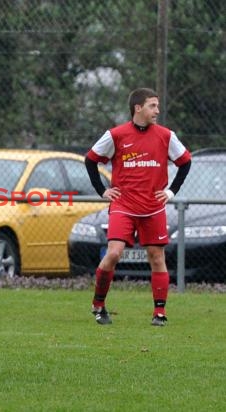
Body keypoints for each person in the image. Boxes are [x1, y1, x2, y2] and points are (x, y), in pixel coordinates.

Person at [85, 87, 191, 326]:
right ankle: (99, 304)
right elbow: (90, 160)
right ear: (138, 108)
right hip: (123, 205)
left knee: (156, 257)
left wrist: (171, 191)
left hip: (153, 207)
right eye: (153, 105)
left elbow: (185, 162)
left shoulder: (165, 135)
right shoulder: (116, 135)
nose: (157, 110)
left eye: (157, 105)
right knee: (113, 253)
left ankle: (159, 313)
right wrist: (102, 190)